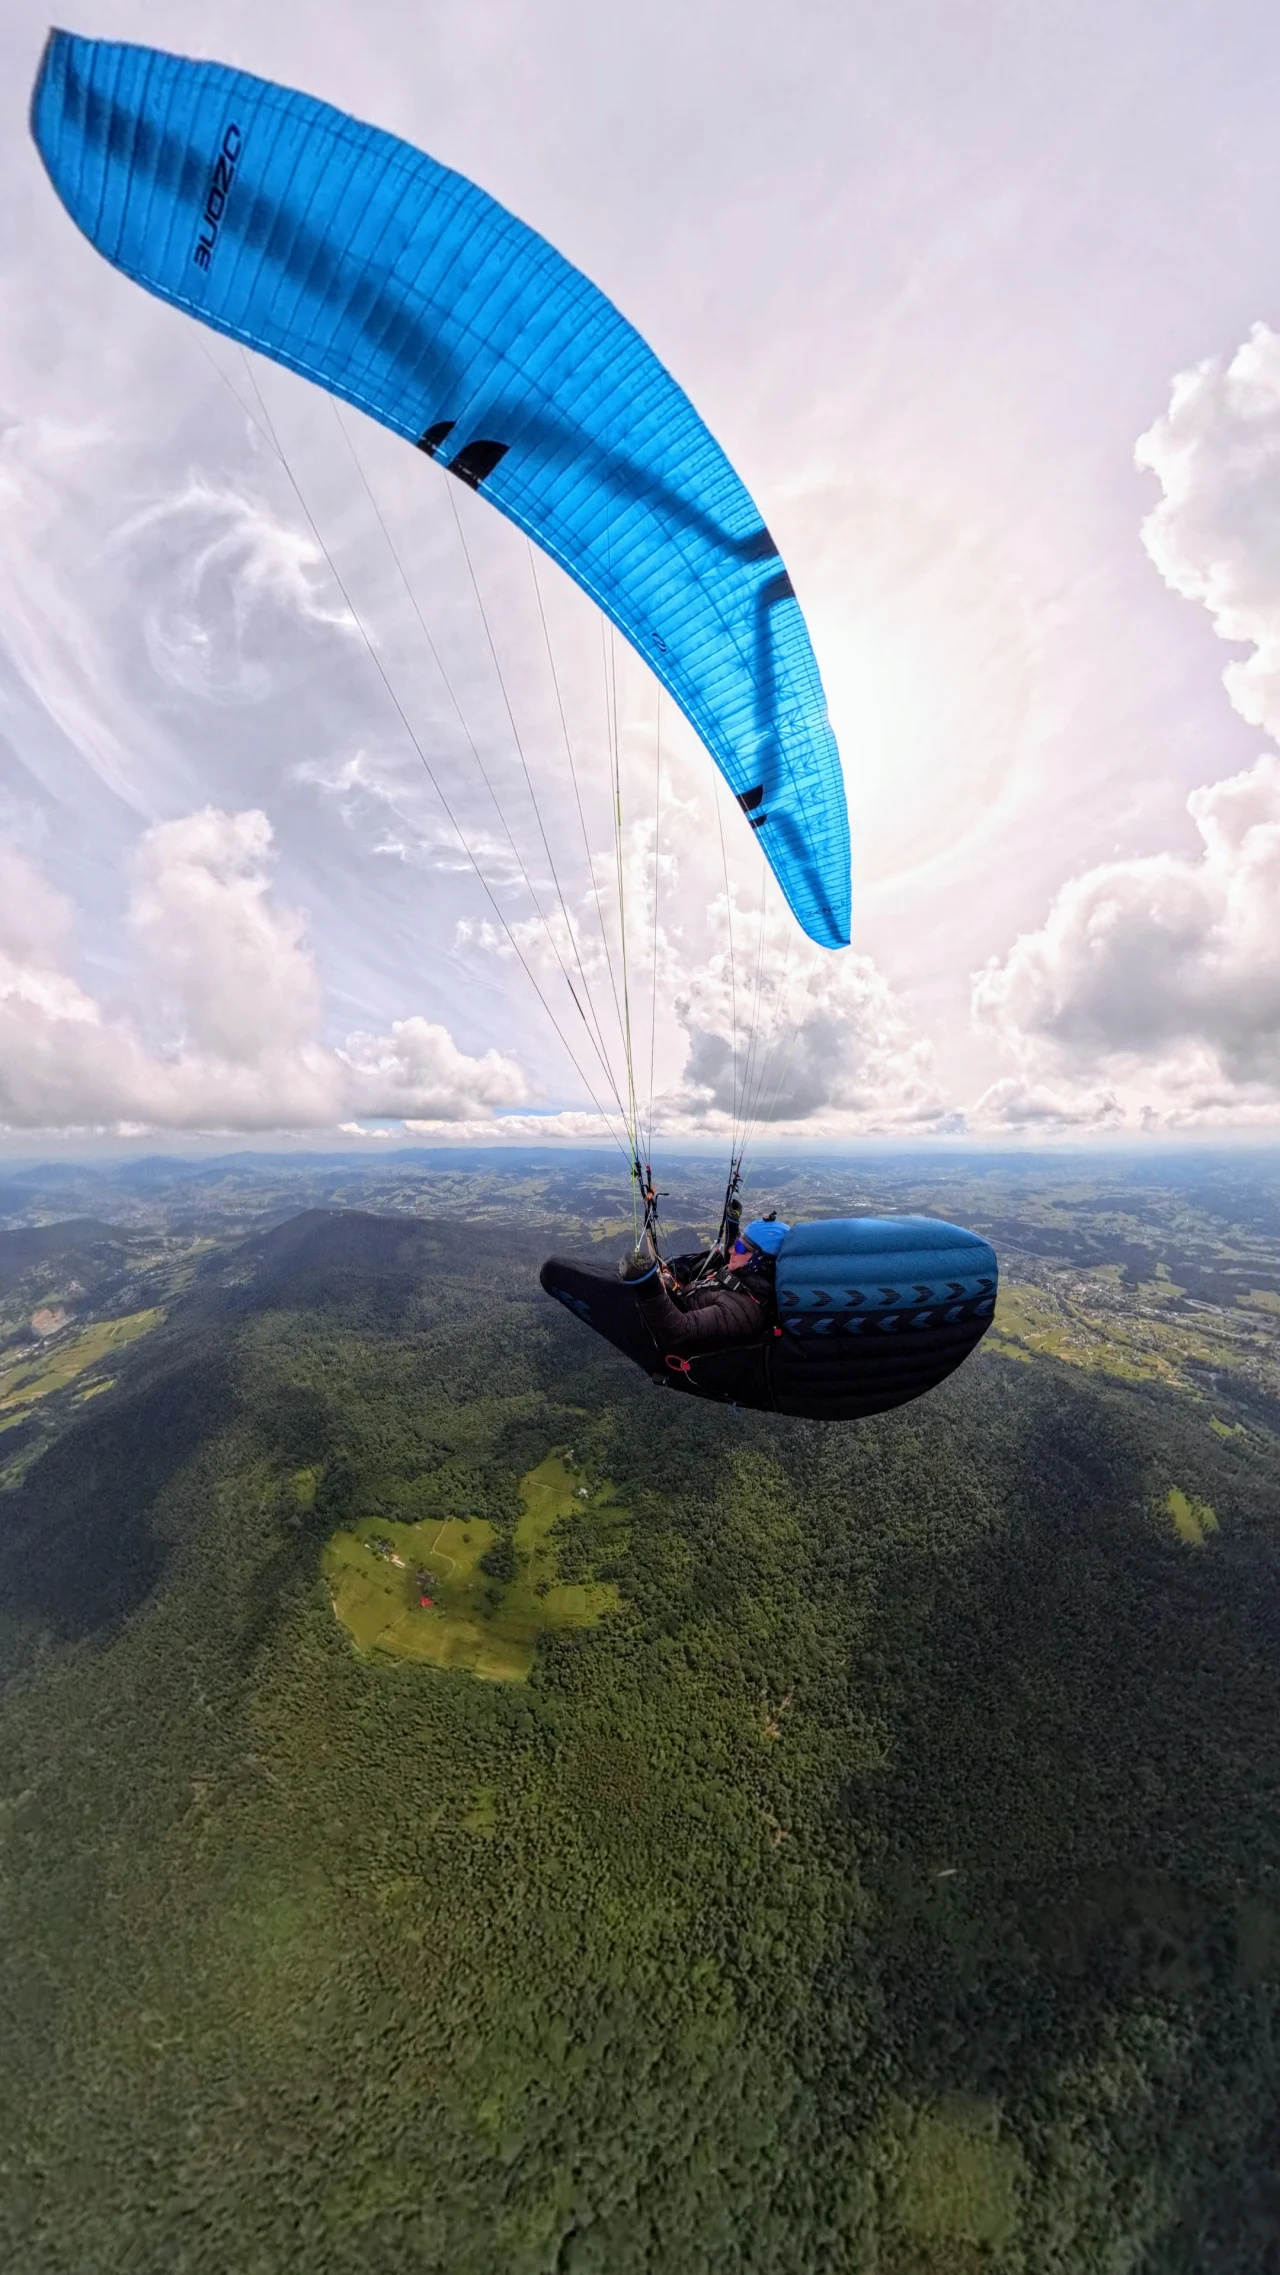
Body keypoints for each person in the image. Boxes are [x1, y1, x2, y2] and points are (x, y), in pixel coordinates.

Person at [618, 1218, 790, 1356]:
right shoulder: (746, 1278)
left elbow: (679, 1330)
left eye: (739, 1247)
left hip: (674, 1328)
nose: (731, 1250)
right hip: (687, 1295)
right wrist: (732, 1224)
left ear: (761, 1262)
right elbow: (729, 1262)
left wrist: (648, 1285)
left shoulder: (742, 1310)